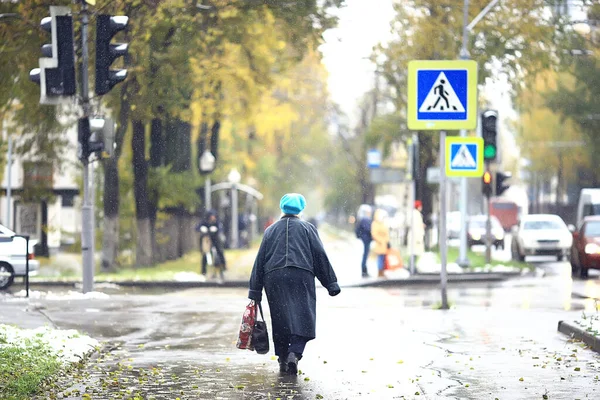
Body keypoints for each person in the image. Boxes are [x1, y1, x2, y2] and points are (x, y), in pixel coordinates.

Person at [248, 193, 341, 375]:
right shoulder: (308, 229)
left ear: (282, 208)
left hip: (274, 277)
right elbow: (319, 256)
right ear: (301, 209)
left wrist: (255, 290)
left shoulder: (270, 231)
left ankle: (282, 359)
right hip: (301, 275)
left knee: (280, 319)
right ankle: (295, 353)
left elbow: (260, 261)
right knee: (304, 317)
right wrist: (331, 283)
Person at [196, 210, 227, 279]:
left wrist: (217, 229)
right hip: (207, 240)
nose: (213, 218)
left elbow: (221, 228)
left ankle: (223, 267)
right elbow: (197, 227)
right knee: (205, 255)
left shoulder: (217, 222)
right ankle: (203, 271)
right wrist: (201, 229)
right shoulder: (204, 222)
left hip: (215, 239)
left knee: (220, 252)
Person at [371, 208, 390, 278]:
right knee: (380, 258)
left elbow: (386, 232)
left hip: (384, 244)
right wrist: (381, 240)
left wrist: (386, 241)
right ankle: (380, 272)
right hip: (379, 244)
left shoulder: (383, 223)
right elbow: (374, 234)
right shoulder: (375, 223)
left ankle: (382, 271)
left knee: (383, 258)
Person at [355, 205, 373, 278]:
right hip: (366, 239)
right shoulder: (365, 219)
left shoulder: (362, 219)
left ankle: (364, 270)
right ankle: (364, 271)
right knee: (365, 255)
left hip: (365, 238)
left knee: (365, 254)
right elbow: (368, 229)